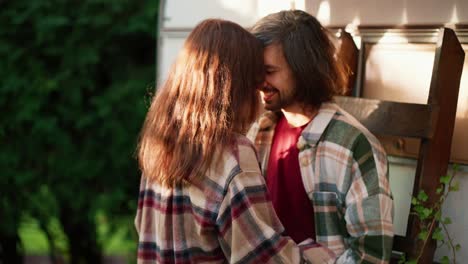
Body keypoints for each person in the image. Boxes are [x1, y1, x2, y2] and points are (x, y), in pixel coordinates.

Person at [135, 18, 321, 264]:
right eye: (255, 83)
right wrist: (315, 253)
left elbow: (143, 227)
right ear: (237, 86)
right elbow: (262, 257)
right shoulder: (232, 154)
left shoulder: (161, 141)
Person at [247, 10, 394, 263]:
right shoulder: (258, 132)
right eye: (256, 71)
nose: (260, 81)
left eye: (269, 71)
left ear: (303, 69)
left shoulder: (352, 145)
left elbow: (370, 255)